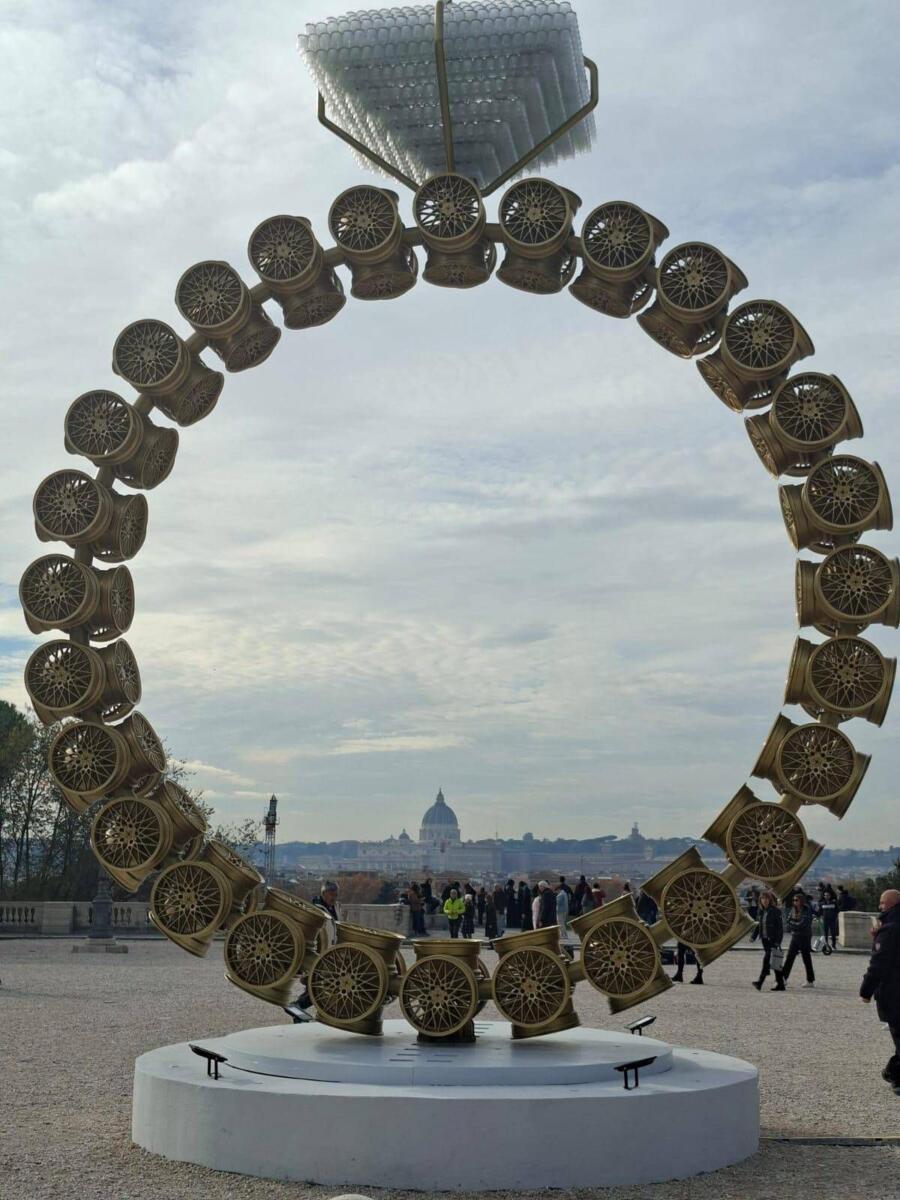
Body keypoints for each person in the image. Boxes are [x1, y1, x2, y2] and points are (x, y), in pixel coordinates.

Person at [860, 889, 900, 1094]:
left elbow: (879, 964)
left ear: (891, 904)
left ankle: (894, 1074)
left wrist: (866, 990)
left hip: (894, 993)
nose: (879, 907)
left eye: (882, 903)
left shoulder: (890, 929)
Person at [290, 881, 341, 1012]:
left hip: (331, 951)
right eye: (331, 894)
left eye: (335, 894)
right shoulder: (315, 909)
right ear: (323, 893)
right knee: (319, 985)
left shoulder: (334, 907)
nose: (334, 897)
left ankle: (298, 1008)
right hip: (320, 951)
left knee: (318, 985)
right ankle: (298, 1006)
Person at [750, 890, 784, 991]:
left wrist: (778, 941)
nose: (765, 900)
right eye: (763, 898)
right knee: (774, 961)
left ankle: (760, 982)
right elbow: (759, 925)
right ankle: (781, 984)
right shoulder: (761, 911)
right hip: (764, 939)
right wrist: (753, 936)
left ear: (770, 900)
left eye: (767, 898)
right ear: (760, 900)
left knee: (767, 960)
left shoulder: (775, 911)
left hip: (772, 940)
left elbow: (780, 928)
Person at [782, 890, 815, 987]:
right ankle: (783, 978)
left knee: (806, 958)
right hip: (795, 936)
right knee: (789, 958)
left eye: (796, 900)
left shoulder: (807, 910)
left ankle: (810, 980)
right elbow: (788, 921)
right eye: (793, 900)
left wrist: (794, 923)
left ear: (801, 901)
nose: (794, 902)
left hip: (804, 937)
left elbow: (803, 923)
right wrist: (794, 924)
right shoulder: (793, 910)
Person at [820, 885, 838, 950]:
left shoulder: (834, 903)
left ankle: (833, 945)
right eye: (825, 895)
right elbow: (820, 911)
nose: (826, 896)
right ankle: (826, 945)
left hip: (832, 920)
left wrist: (834, 916)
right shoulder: (822, 903)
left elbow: (837, 910)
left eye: (827, 895)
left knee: (833, 933)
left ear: (830, 896)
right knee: (826, 933)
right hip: (825, 920)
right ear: (824, 896)